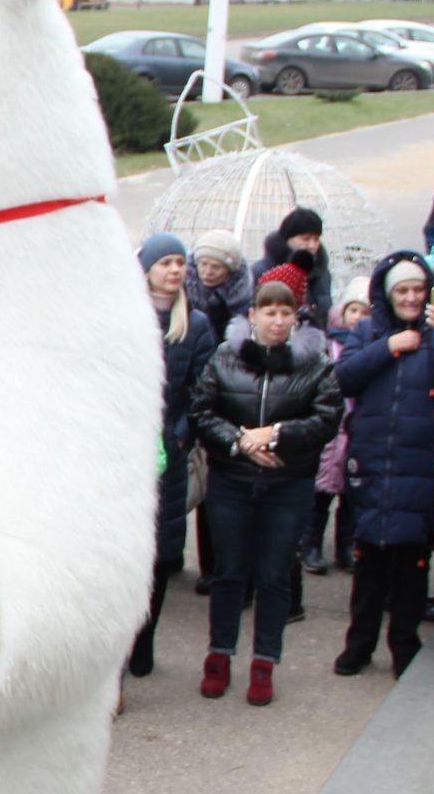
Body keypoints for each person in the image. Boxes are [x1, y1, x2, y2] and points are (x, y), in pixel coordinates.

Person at [186, 279, 342, 705]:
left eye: (285, 313)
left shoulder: (315, 361)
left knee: (274, 574)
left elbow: (327, 417)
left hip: (287, 484)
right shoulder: (225, 355)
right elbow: (202, 409)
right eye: (268, 312)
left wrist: (274, 435)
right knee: (229, 571)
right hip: (232, 479)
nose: (277, 320)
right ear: (252, 315)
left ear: (295, 317)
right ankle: (219, 655)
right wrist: (240, 442)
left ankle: (264, 663)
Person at [333, 253, 434, 679]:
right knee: (369, 565)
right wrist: (388, 348)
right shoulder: (367, 332)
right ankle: (358, 646)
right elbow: (342, 377)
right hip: (374, 464)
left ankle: (404, 647)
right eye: (402, 290)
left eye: (418, 289)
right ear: (388, 295)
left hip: (422, 466)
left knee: (413, 568)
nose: (412, 298)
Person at [128, 234, 217, 679]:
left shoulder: (195, 325)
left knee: (163, 556)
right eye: (166, 261)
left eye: (181, 262)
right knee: (129, 554)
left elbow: (204, 389)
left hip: (171, 455)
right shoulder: (122, 317)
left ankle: (146, 639)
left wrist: (181, 437)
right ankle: (121, 642)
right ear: (146, 269)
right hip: (126, 455)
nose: (176, 269)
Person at [250, 207, 333, 332]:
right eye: (305, 238)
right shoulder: (262, 270)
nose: (312, 245)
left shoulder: (322, 273)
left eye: (316, 239)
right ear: (287, 239)